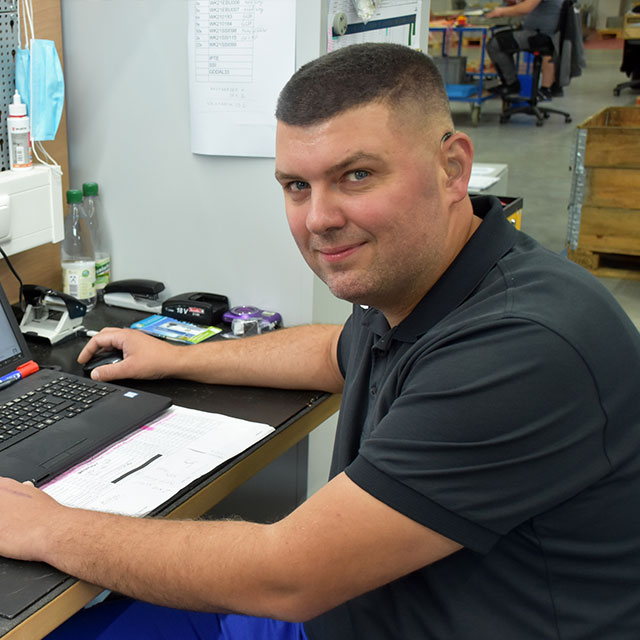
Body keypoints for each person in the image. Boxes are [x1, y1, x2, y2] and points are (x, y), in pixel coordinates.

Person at [0, 42, 639, 640]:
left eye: (356, 176)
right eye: (296, 186)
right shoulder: (426, 279)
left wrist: (48, 526)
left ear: (452, 169)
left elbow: (290, 575)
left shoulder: (523, 344)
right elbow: (338, 351)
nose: (320, 220)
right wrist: (178, 356)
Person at [486, 0, 564, 98]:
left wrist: (501, 11)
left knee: (495, 44)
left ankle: (511, 85)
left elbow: (527, 7)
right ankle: (511, 83)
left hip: (540, 35)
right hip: (546, 33)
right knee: (504, 38)